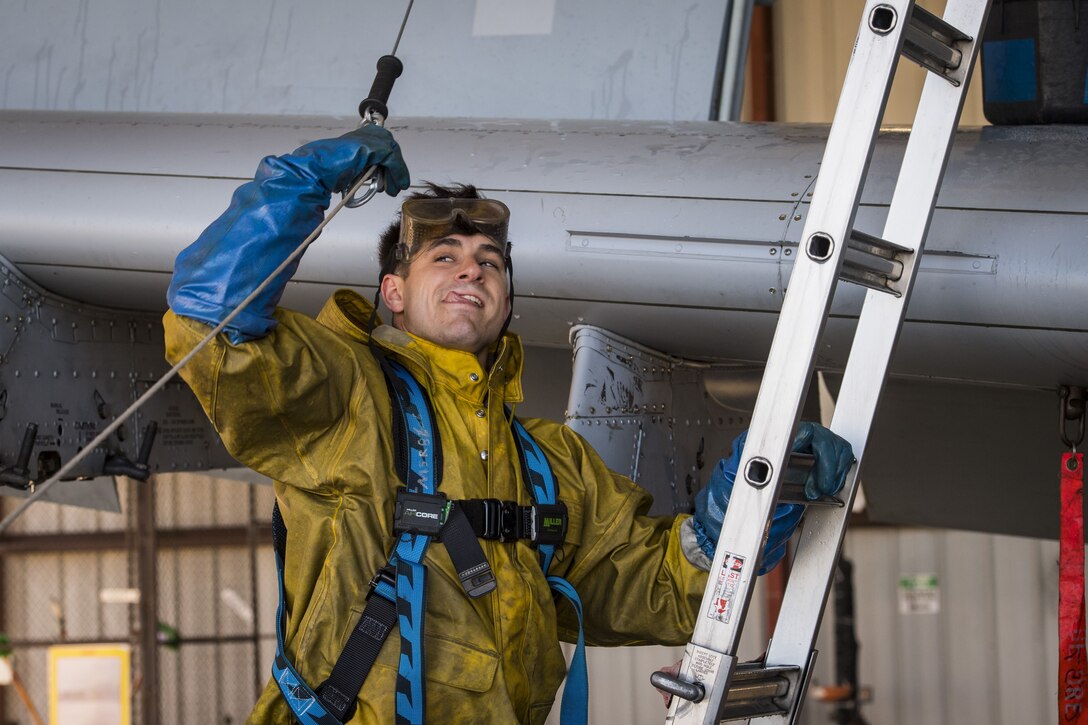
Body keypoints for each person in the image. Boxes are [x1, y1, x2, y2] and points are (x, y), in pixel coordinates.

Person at [164, 125, 853, 724]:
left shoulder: (551, 466)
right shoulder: (347, 398)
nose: (472, 270)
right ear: (393, 293)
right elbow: (208, 321)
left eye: (489, 263)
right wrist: (300, 185)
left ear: (506, 304)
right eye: (445, 257)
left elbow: (667, 589)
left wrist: (752, 507)